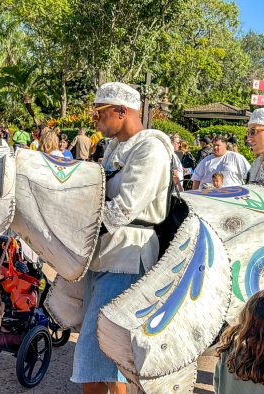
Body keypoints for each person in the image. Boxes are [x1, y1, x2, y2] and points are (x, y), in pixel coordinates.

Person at [71, 82, 171, 394]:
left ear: (121, 111)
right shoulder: (116, 149)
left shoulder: (151, 149)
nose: (96, 122)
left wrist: (75, 230)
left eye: (100, 114)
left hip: (129, 256)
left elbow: (123, 208)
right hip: (106, 253)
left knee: (95, 353)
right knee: (111, 355)